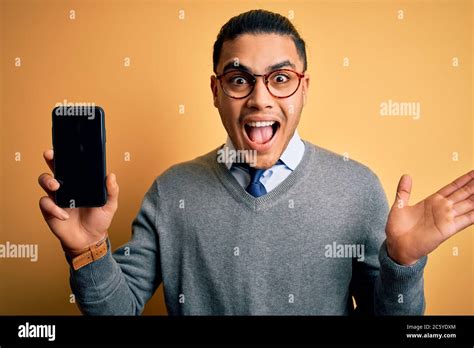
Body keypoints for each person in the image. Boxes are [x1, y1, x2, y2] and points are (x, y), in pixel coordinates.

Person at [38, 9, 473, 315]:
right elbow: (118, 311)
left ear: (304, 88)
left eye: (281, 79)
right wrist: (86, 250)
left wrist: (403, 263)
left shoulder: (357, 189)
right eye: (239, 79)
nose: (260, 98)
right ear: (215, 90)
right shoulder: (171, 193)